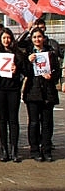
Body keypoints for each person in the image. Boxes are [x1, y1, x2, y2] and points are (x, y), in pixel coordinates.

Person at [23, 27, 59, 162]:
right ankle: (34, 150)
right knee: (33, 123)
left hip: (48, 92)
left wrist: (52, 76)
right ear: (31, 40)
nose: (37, 39)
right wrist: (28, 62)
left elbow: (57, 72)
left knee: (47, 123)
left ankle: (47, 149)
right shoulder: (28, 53)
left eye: (39, 37)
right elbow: (25, 73)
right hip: (32, 92)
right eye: (34, 37)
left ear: (43, 38)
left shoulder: (51, 53)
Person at [0, 27, 27, 162]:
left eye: (8, 38)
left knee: (13, 120)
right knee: (2, 120)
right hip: (0, 89)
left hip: (13, 90)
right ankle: (4, 149)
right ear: (0, 39)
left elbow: (25, 72)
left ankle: (14, 149)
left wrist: (16, 70)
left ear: (11, 39)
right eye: (4, 38)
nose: (6, 40)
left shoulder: (18, 54)